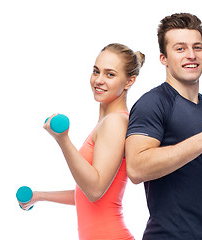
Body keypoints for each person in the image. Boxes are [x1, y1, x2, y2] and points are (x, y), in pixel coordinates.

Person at [125, 13, 202, 240]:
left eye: (197, 47)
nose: (191, 55)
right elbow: (136, 168)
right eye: (180, 49)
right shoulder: (153, 103)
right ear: (164, 58)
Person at [19, 43, 145, 240]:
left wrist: (63, 140)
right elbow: (88, 196)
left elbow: (95, 190)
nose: (99, 80)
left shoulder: (115, 122)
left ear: (129, 81)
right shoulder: (106, 123)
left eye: (110, 74)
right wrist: (40, 196)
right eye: (96, 71)